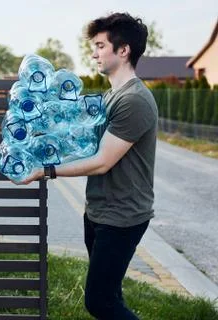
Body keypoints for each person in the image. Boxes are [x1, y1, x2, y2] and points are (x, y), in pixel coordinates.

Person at [16, 12, 158, 319]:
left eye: (100, 45)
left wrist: (47, 171)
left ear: (124, 51)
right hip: (98, 211)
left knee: (100, 301)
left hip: (122, 217)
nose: (93, 53)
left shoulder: (134, 100)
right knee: (110, 295)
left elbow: (102, 161)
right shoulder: (110, 96)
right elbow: (85, 146)